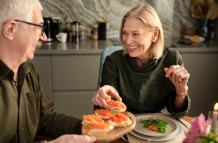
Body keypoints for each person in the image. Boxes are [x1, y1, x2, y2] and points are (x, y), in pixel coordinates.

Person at [0, 0, 95, 143]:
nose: (43, 37)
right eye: (39, 27)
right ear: (10, 29)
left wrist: (90, 126)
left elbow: (44, 119)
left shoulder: (28, 71)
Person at [92, 4, 191, 116]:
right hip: (124, 124)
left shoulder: (172, 59)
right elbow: (105, 108)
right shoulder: (114, 61)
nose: (128, 41)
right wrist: (105, 93)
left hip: (157, 126)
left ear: (154, 35)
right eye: (125, 33)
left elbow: (178, 113)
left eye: (135, 34)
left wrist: (181, 92)